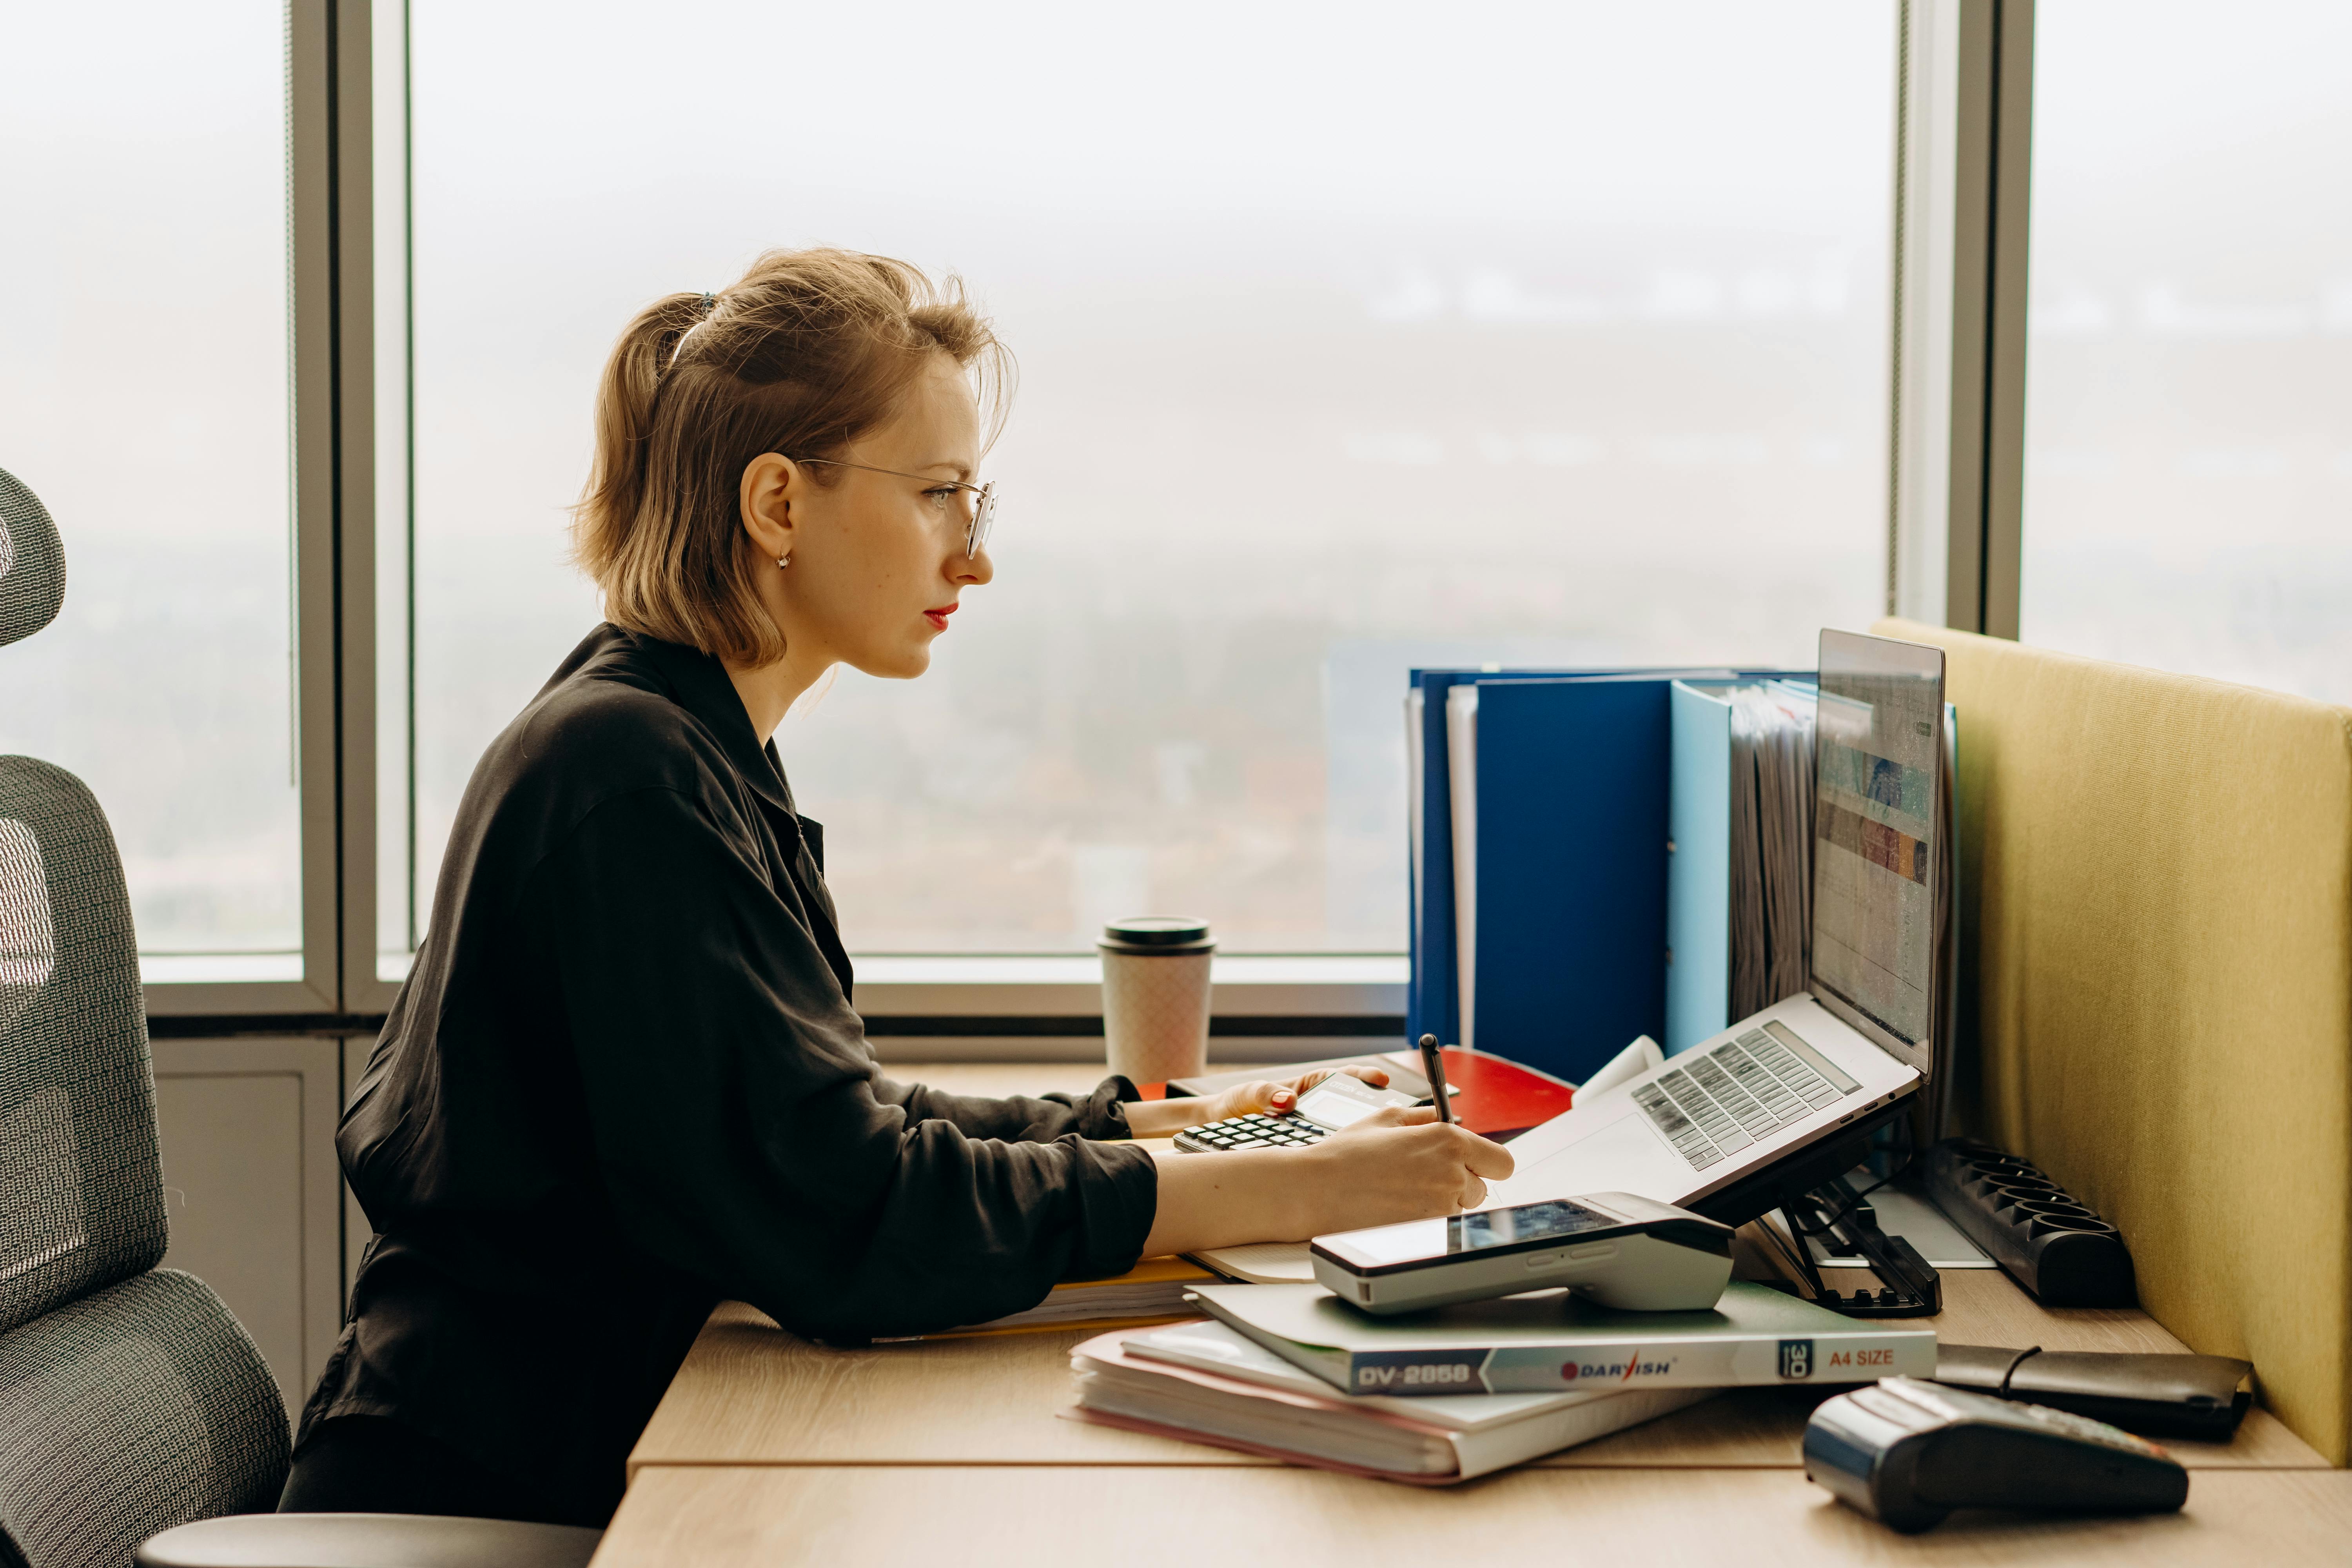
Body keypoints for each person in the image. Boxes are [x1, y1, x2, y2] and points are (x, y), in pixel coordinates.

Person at [282, 248, 1512, 1526]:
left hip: (570, 1449)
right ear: (776, 505)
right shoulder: (631, 776)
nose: (972, 561)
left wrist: (1177, 1123)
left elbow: (831, 1127)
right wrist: (1292, 1188)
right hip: (492, 1497)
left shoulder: (681, 745)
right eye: (937, 496)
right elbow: (850, 1214)